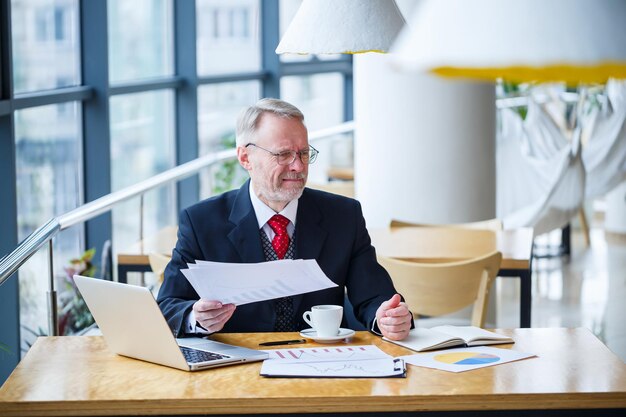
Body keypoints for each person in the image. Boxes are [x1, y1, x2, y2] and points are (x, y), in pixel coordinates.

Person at [157, 98, 412, 341]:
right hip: (237, 367)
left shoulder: (343, 216)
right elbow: (168, 305)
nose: (298, 166)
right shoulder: (202, 222)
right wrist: (196, 317)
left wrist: (386, 317)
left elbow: (374, 297)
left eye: (303, 153)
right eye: (283, 154)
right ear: (246, 158)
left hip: (322, 363)